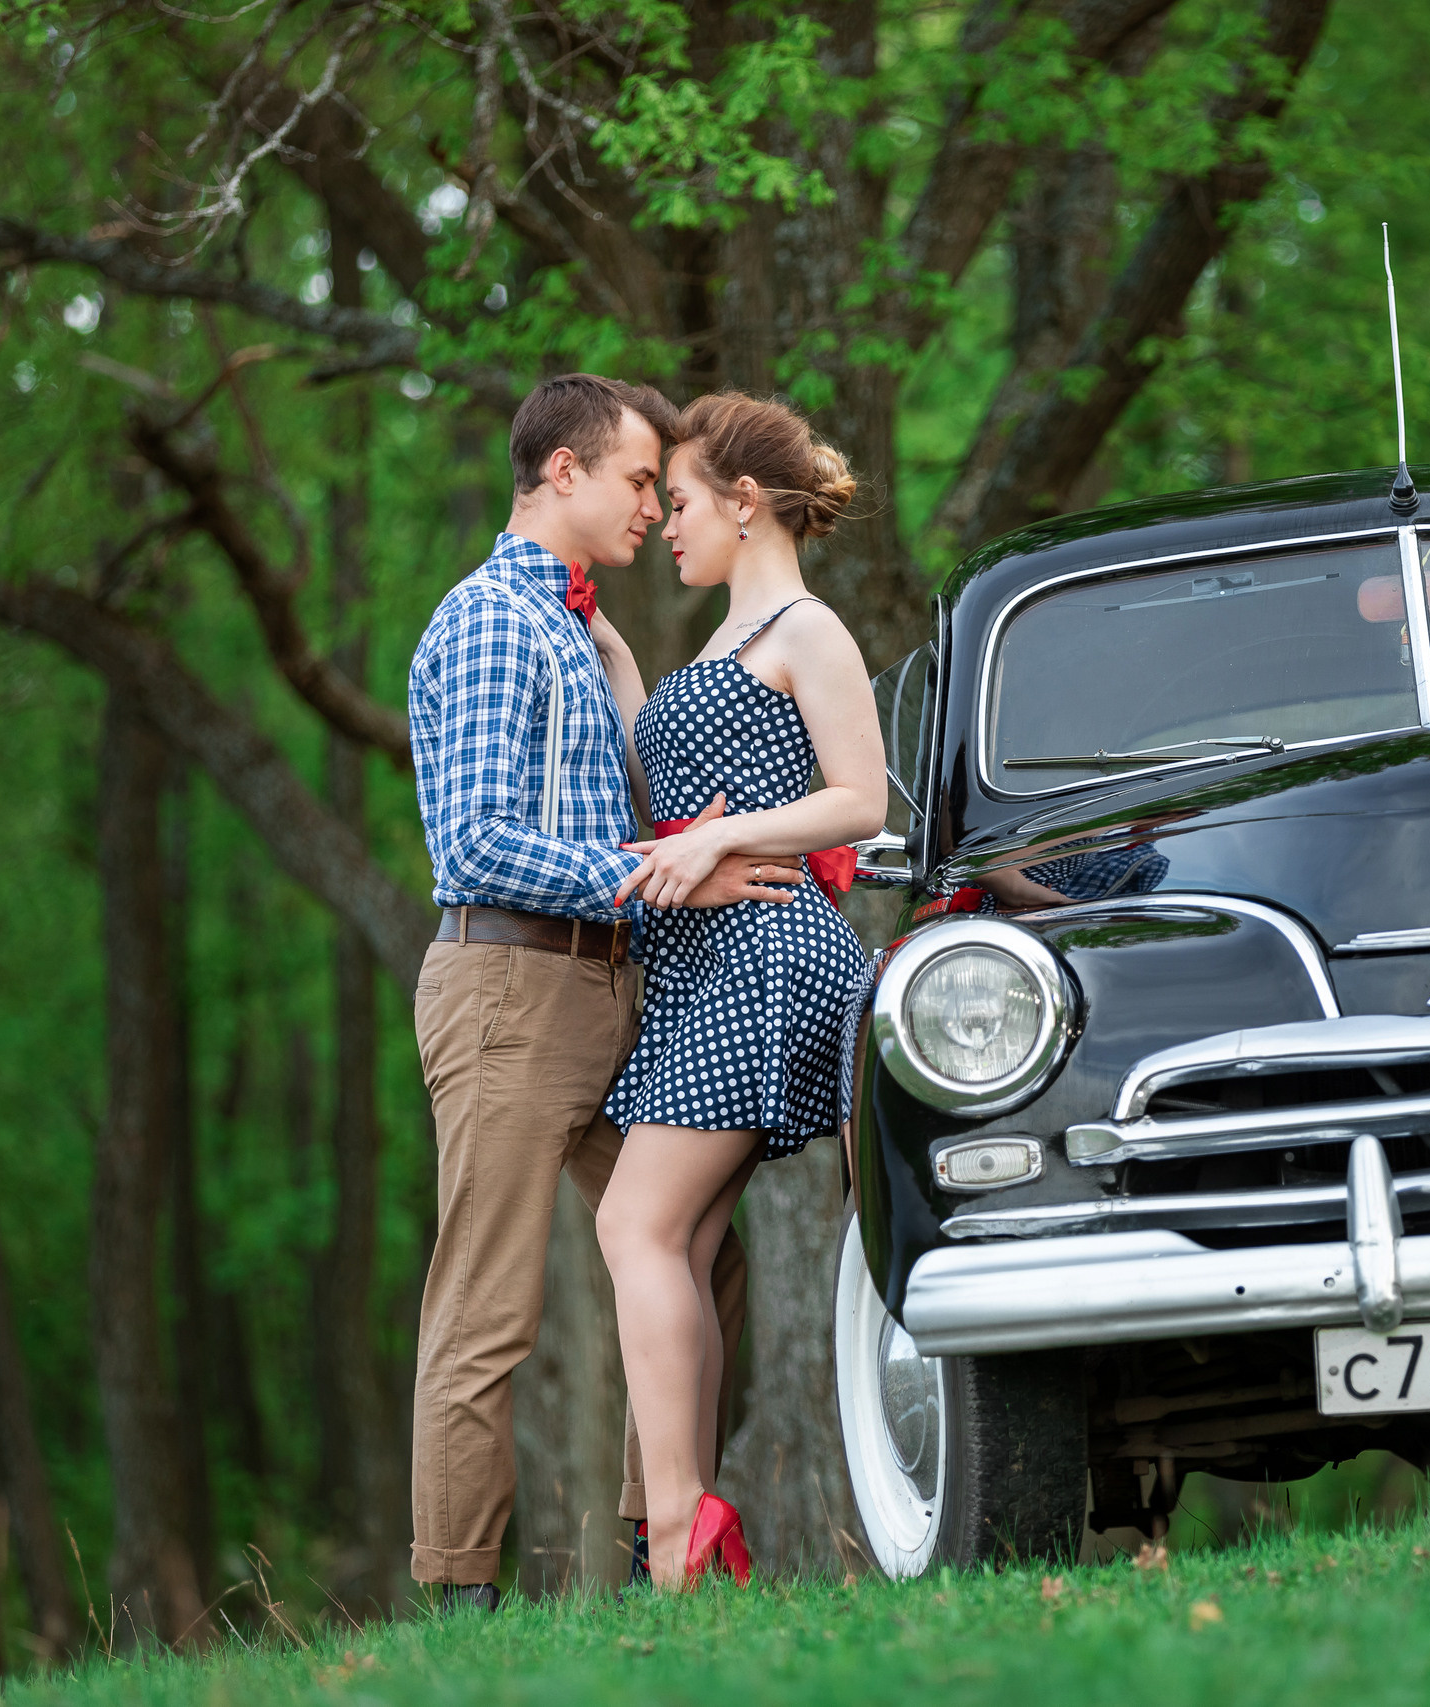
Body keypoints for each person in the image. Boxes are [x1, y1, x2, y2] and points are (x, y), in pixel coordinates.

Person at [406, 374, 802, 1610]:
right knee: (488, 1309)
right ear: (562, 473)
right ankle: (459, 1601)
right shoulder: (488, 624)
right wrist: (669, 874)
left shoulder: (578, 633)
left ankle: (659, 1554)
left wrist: (702, 850)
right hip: (510, 987)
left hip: (611, 986)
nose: (653, 503)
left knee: (697, 1261)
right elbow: (472, 843)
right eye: (639, 480)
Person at [592, 393, 886, 1590]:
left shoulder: (805, 628)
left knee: (636, 1224)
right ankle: (687, 1528)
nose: (663, 523)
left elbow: (860, 802)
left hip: (768, 952)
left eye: (681, 501)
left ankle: (676, 1529)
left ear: (744, 502)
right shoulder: (716, 643)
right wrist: (619, 669)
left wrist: (722, 844)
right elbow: (676, 800)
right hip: (704, 958)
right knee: (686, 1233)